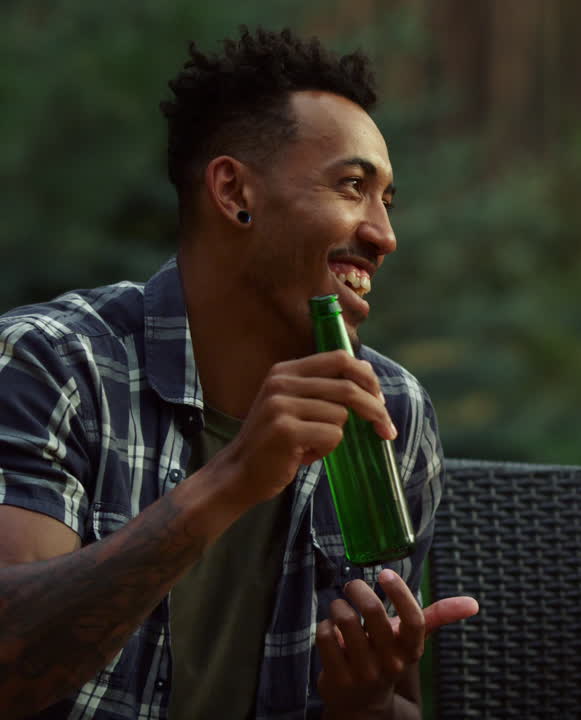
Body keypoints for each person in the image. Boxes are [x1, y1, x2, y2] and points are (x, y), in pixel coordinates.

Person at [0, 27, 476, 718]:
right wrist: (229, 481)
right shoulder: (54, 362)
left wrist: (364, 700)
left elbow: (394, 704)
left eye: (387, 201)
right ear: (233, 192)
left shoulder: (390, 409)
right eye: (352, 186)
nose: (383, 234)